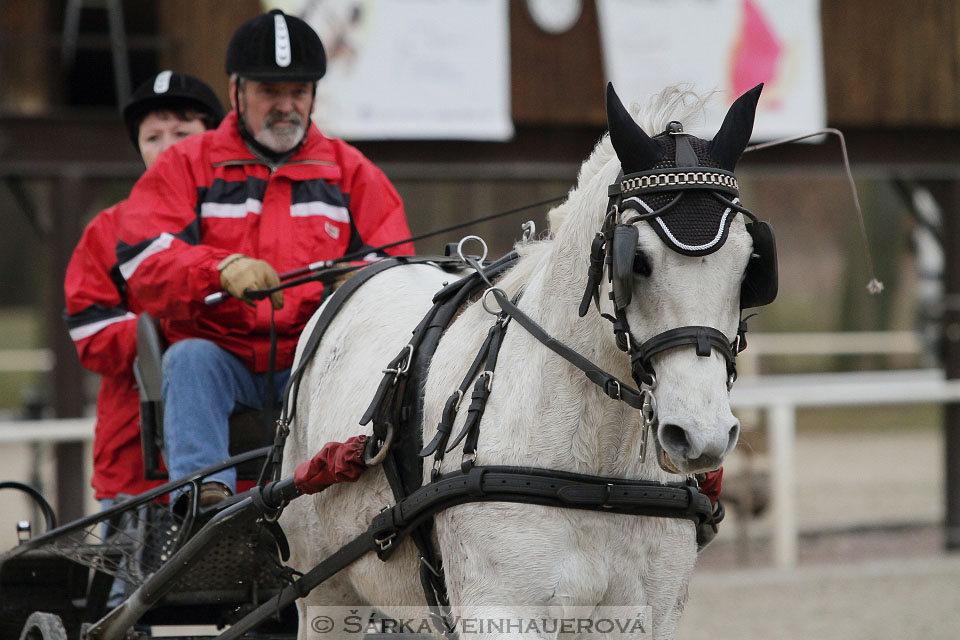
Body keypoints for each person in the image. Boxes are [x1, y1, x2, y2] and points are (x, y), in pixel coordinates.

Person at [114, 9, 414, 507]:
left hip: (312, 360)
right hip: (220, 358)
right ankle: (205, 505)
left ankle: (346, 508)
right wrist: (218, 269)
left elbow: (399, 268)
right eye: (269, 92)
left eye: (298, 92)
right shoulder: (187, 165)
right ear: (236, 91)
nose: (286, 106)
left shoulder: (351, 172)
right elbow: (142, 262)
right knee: (187, 359)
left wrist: (360, 285)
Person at [64, 72, 225, 510]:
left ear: (213, 140)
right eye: (152, 136)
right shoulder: (105, 231)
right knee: (130, 581)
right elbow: (89, 331)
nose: (167, 146)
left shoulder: (238, 218)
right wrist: (176, 332)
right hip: (135, 465)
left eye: (182, 133)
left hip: (243, 465)